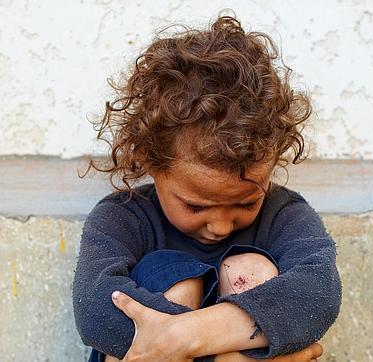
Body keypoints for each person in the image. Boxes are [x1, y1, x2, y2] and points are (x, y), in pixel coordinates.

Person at [72, 14, 342, 362]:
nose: (220, 226)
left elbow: (318, 295)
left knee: (252, 270)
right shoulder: (123, 216)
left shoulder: (283, 214)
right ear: (150, 162)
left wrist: (189, 337)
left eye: (245, 203)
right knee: (169, 270)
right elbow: (95, 310)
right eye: (197, 207)